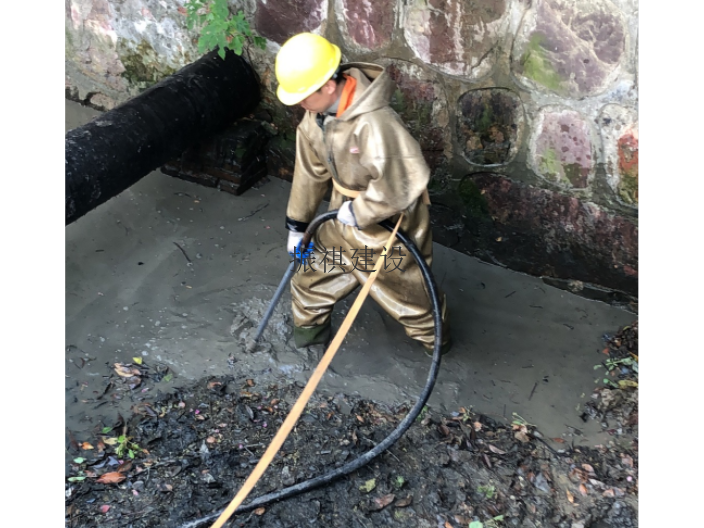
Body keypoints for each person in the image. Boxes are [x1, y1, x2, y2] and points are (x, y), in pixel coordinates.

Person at [274, 32, 451, 356]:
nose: (300, 103)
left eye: (304, 94)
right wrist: (297, 226)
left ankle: (436, 343)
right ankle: (309, 337)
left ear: (329, 85)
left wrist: (361, 213)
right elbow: (310, 171)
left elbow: (400, 182)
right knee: (311, 273)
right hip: (340, 214)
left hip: (388, 223)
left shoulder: (376, 123)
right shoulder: (316, 119)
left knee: (407, 292)